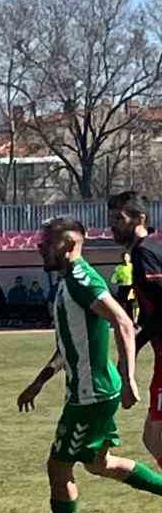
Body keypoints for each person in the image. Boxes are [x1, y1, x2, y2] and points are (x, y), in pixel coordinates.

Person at [15, 217, 162, 513]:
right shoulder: (70, 281)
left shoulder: (82, 280)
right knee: (100, 464)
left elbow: (123, 321)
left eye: (47, 242)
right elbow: (69, 344)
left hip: (90, 395)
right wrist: (38, 383)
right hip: (93, 391)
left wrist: (129, 379)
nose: (40, 247)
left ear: (68, 246)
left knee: (58, 465)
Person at [108, 190, 162, 467]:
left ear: (140, 218)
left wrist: (131, 351)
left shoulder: (145, 252)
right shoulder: (149, 247)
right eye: (111, 218)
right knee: (152, 436)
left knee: (156, 436)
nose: (113, 224)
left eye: (120, 218)